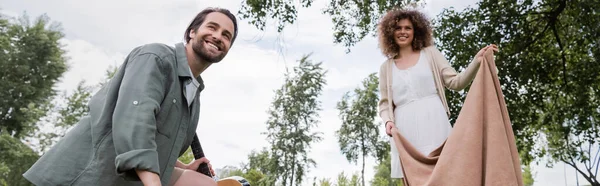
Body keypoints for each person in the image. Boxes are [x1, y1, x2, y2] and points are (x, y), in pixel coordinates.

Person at [23, 7, 238, 186]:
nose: (218, 36)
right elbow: (135, 123)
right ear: (192, 32)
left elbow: (157, 141)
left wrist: (179, 166)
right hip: (87, 177)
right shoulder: (156, 58)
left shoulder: (194, 93)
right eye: (212, 27)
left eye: (226, 35)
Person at [376, 8, 498, 181]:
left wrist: (476, 61)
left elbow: (456, 82)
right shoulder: (386, 68)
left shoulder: (430, 54)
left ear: (416, 30)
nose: (403, 32)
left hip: (435, 123)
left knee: (448, 176)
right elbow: (385, 103)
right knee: (415, 179)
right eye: (398, 28)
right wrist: (388, 121)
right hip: (405, 131)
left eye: (408, 28)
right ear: (390, 32)